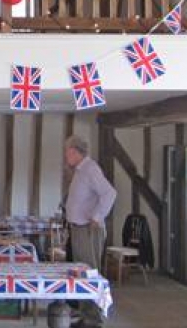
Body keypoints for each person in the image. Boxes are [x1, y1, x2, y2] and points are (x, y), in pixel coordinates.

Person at [63, 135, 116, 327]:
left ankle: (94, 319)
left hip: (88, 230)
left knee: (90, 273)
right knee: (81, 274)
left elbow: (109, 193)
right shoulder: (80, 170)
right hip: (78, 229)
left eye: (67, 151)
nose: (65, 156)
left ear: (75, 151)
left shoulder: (90, 169)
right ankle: (86, 315)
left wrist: (97, 216)